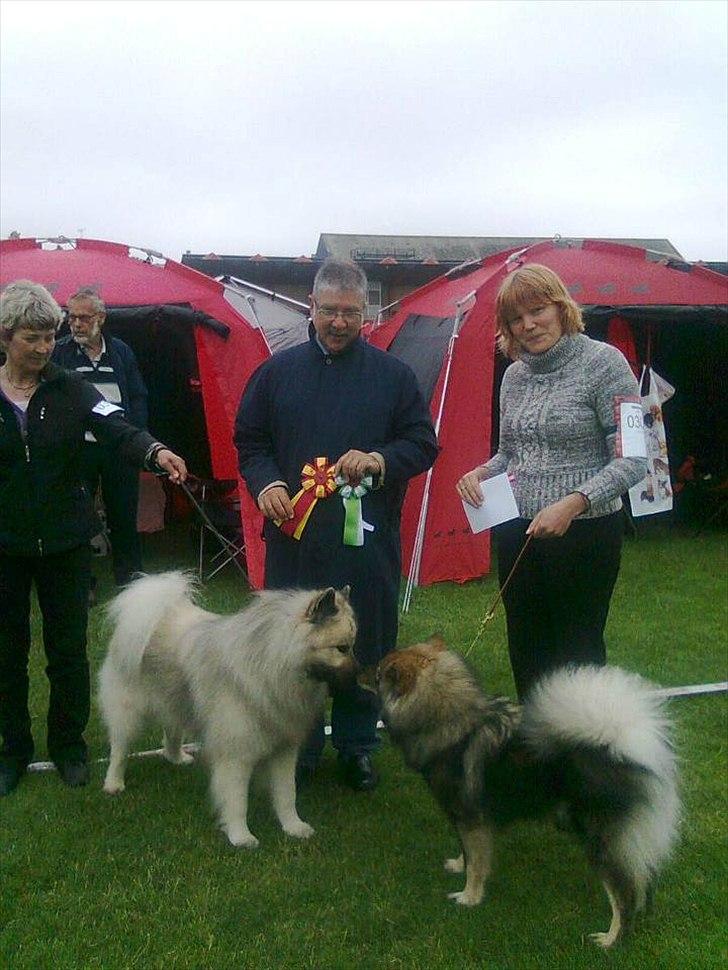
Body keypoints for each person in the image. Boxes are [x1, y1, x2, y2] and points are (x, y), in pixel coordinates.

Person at [235, 258, 438, 791]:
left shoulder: (394, 377)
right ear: (312, 308)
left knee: (364, 644)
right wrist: (266, 484)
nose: (341, 323)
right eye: (330, 312)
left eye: (351, 313)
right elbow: (250, 442)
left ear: (366, 312)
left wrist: (378, 459)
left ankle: (357, 745)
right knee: (293, 648)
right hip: (294, 544)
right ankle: (298, 747)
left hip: (366, 544)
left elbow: (423, 445)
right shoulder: (275, 373)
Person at [0, 280, 187, 797]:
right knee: (7, 654)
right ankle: (12, 750)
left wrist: (154, 452)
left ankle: (68, 747)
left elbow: (118, 427)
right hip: (5, 546)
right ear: (5, 335)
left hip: (65, 541)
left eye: (48, 337)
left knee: (68, 650)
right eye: (32, 339)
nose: (43, 349)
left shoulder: (70, 390)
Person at [456, 264, 647, 701]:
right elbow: (511, 454)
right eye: (515, 319)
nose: (528, 325)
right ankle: (540, 760)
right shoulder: (514, 375)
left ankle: (585, 761)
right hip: (518, 532)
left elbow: (635, 457)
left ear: (561, 307)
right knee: (527, 652)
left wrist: (575, 502)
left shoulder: (604, 363)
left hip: (585, 534)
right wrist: (481, 473)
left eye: (537, 310)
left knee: (577, 657)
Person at [52, 286, 148, 591]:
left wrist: (134, 432)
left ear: (101, 318)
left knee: (123, 517)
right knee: (77, 517)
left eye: (83, 317)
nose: (76, 324)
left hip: (118, 447)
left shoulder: (121, 351)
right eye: (71, 318)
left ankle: (131, 586)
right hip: (79, 449)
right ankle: (81, 585)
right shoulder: (59, 352)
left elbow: (137, 395)